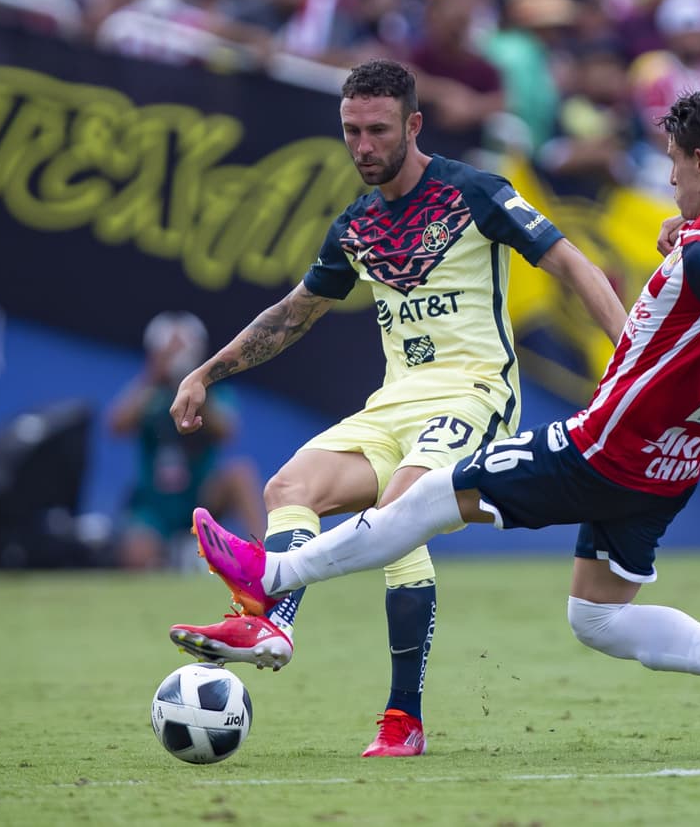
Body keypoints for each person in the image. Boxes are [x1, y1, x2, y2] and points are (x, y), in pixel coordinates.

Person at [181, 84, 700, 758]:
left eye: (672, 167)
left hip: (604, 447)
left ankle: (270, 578)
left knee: (423, 500)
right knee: (596, 615)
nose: (666, 183)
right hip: (672, 467)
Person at [168, 59, 625, 757]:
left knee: (398, 512)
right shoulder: (354, 227)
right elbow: (293, 314)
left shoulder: (477, 193)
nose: (362, 146)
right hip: (393, 403)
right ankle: (298, 641)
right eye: (351, 130)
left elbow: (572, 264)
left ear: (413, 125)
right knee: (289, 486)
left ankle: (288, 614)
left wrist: (630, 354)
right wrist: (208, 370)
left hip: (475, 394)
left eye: (377, 130)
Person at [108, 311, 265, 570]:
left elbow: (227, 431)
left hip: (200, 496)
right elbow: (116, 425)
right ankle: (168, 563)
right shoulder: (149, 395)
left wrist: (195, 388)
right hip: (154, 504)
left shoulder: (213, 393)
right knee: (136, 554)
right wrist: (153, 375)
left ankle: (264, 560)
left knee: (240, 474)